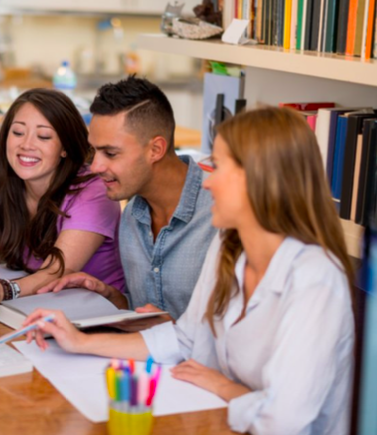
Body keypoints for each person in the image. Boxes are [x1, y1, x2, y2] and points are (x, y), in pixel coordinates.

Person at [25, 107, 355, 435]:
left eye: (221, 167)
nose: (209, 184)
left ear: (260, 180)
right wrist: (79, 341)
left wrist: (223, 387)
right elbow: (185, 339)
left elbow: (283, 421)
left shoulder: (316, 279)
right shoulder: (230, 244)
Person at [40, 76, 216, 322]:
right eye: (95, 151)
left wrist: (172, 330)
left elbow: (237, 335)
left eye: (110, 153)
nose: (96, 166)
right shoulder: (133, 213)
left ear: (155, 149)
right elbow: (143, 312)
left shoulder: (222, 215)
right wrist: (109, 296)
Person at [0, 88, 124, 309]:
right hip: (37, 307)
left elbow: (55, 272)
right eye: (17, 133)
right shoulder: (3, 187)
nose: (26, 145)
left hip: (98, 312)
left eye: (43, 136)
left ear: (65, 147)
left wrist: (2, 290)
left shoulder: (93, 191)